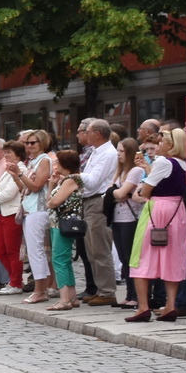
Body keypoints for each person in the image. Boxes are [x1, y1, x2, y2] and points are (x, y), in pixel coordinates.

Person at [126, 127, 186, 322]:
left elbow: (145, 190)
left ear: (170, 145)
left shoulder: (163, 162)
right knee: (173, 256)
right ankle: (171, 305)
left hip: (157, 209)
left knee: (141, 256)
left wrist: (143, 189)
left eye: (162, 142)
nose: (159, 144)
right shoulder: (184, 164)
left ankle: (143, 306)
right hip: (177, 210)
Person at [78, 119, 118, 306]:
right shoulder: (96, 151)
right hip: (89, 201)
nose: (85, 134)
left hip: (98, 201)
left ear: (97, 134)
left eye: (88, 131)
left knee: (100, 249)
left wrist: (76, 176)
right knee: (91, 249)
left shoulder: (108, 153)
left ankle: (107, 291)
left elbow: (94, 181)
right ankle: (100, 288)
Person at [44, 149, 85, 311]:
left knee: (59, 260)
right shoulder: (65, 180)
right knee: (64, 260)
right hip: (57, 223)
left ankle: (64, 299)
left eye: (57, 162)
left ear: (65, 164)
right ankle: (72, 297)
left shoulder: (71, 179)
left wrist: (51, 201)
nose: (55, 164)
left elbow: (54, 202)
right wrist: (52, 185)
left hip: (64, 223)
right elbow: (49, 200)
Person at [18, 131, 54, 303]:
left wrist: (19, 174)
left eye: (33, 142)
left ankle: (41, 290)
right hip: (30, 208)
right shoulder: (34, 161)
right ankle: (42, 289)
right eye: (27, 143)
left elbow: (37, 186)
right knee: (34, 252)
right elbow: (25, 187)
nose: (29, 146)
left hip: (38, 209)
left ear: (42, 143)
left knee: (37, 251)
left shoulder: (44, 160)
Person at [0, 141, 26, 295]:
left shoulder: (20, 169)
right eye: (6, 152)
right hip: (3, 213)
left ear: (18, 155)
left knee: (12, 250)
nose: (6, 155)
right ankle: (14, 279)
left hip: (12, 213)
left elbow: (10, 192)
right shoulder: (8, 168)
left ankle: (16, 282)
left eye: (9, 152)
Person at [111, 138, 144, 307]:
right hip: (116, 217)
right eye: (118, 150)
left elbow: (120, 192)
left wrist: (119, 193)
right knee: (123, 257)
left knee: (131, 257)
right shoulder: (120, 171)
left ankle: (136, 296)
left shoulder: (135, 171)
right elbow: (111, 191)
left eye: (122, 151)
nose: (118, 154)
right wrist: (118, 193)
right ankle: (129, 294)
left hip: (130, 218)